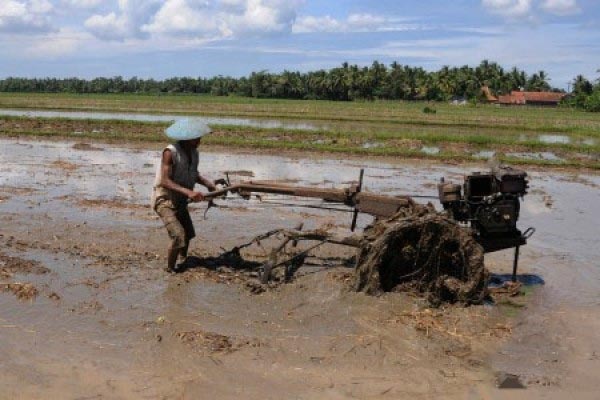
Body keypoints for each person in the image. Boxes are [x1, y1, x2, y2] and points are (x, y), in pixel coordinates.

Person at [151, 119, 217, 273]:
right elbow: (165, 181)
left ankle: (183, 260)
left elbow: (193, 174)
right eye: (197, 138)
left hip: (181, 200)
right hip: (165, 200)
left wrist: (207, 183)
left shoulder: (194, 153)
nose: (200, 141)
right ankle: (170, 269)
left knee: (187, 233)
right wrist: (189, 192)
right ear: (187, 138)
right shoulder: (170, 152)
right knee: (178, 235)